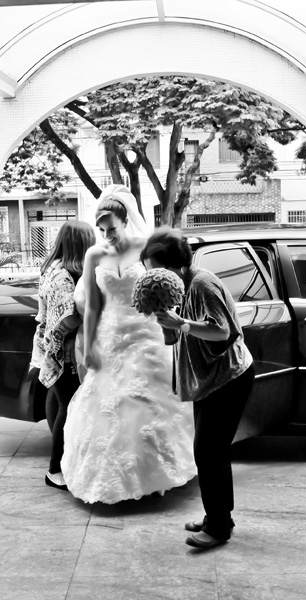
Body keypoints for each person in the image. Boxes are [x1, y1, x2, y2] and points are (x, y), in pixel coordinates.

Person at [60, 185, 196, 504]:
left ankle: (153, 474)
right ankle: (116, 479)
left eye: (112, 229)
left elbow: (163, 286)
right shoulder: (94, 255)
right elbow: (92, 306)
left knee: (145, 399)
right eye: (102, 230)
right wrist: (89, 346)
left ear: (125, 222)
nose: (107, 236)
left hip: (145, 332)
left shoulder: (144, 249)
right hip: (111, 334)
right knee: (109, 403)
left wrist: (168, 319)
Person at [141, 226, 255, 550]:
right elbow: (176, 337)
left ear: (176, 265)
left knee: (208, 451)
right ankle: (218, 518)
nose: (153, 278)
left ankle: (218, 527)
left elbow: (223, 331)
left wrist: (182, 324)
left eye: (157, 271)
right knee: (210, 452)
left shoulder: (203, 283)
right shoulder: (179, 288)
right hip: (208, 380)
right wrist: (168, 322)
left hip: (229, 377)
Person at [31, 220, 96, 491]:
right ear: (81, 244)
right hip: (61, 352)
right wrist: (91, 317)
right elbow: (67, 318)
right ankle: (54, 470)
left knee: (62, 405)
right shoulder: (62, 277)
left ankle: (63, 465)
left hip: (54, 348)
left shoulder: (53, 268)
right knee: (67, 409)